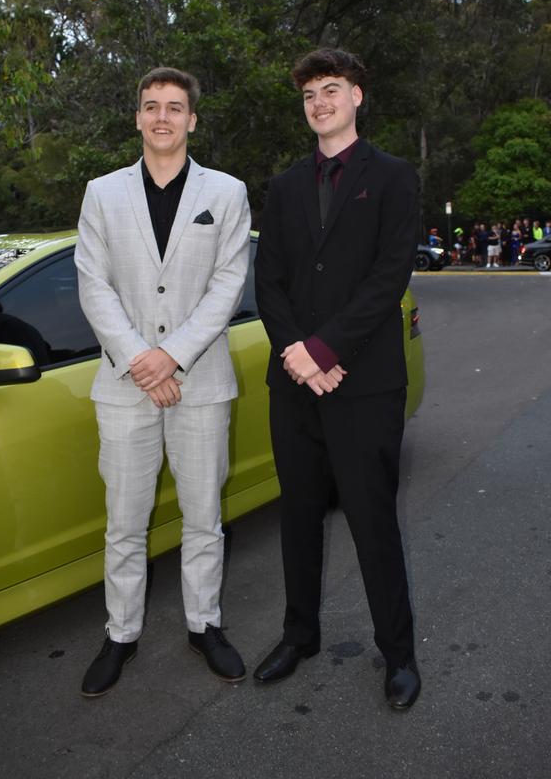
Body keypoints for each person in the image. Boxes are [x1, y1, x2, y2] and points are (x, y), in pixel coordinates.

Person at [253, 48, 421, 711]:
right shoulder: (285, 186)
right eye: (309, 96)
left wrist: (323, 348)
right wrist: (297, 352)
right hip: (294, 381)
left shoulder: (394, 177)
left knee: (372, 519)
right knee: (297, 515)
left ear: (356, 96)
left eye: (331, 90)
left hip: (365, 381)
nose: (319, 103)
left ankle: (399, 655)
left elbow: (389, 277)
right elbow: (270, 281)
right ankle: (301, 635)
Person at [75, 66, 251, 697]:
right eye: (151, 107)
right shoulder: (101, 193)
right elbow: (93, 285)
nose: (162, 118)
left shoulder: (226, 193)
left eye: (174, 108)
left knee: (204, 517)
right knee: (124, 522)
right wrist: (139, 360)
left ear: (192, 120)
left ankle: (205, 625)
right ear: (138, 117)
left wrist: (171, 356)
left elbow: (228, 285)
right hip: (124, 387)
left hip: (200, 383)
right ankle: (120, 633)